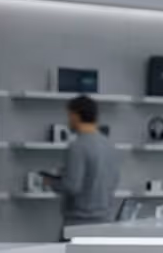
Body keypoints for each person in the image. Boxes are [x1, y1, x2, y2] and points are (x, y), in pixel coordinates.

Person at [47, 95, 120, 231]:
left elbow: (72, 186)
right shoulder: (110, 145)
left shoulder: (77, 146)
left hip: (78, 223)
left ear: (75, 115)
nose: (68, 120)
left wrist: (52, 183)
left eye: (69, 115)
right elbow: (114, 180)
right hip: (105, 220)